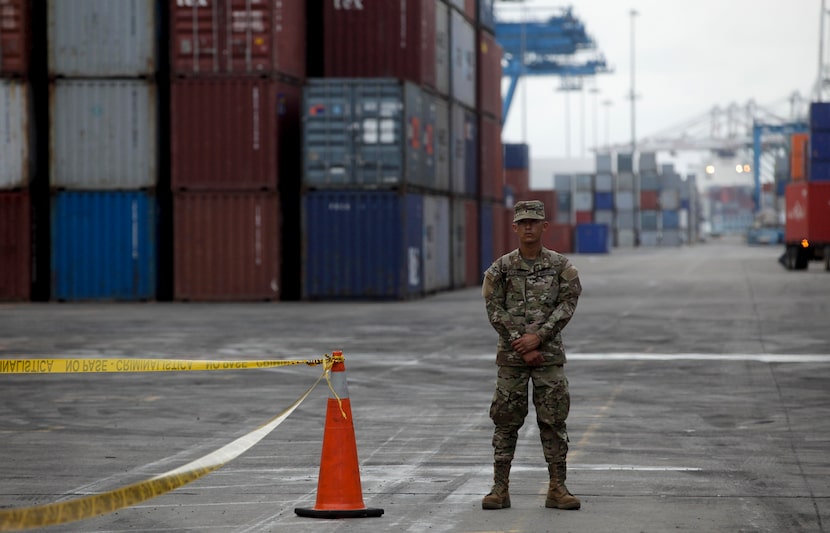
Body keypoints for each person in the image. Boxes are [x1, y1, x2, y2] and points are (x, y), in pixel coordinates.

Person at [480, 199, 582, 511]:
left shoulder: (561, 267)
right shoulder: (500, 269)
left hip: (548, 356)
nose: (528, 227)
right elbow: (493, 307)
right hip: (512, 358)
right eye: (522, 222)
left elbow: (568, 303)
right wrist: (519, 343)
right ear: (514, 227)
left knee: (553, 421)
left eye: (533, 222)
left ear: (544, 226)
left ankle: (557, 488)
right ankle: (499, 489)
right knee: (506, 422)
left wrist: (538, 337)